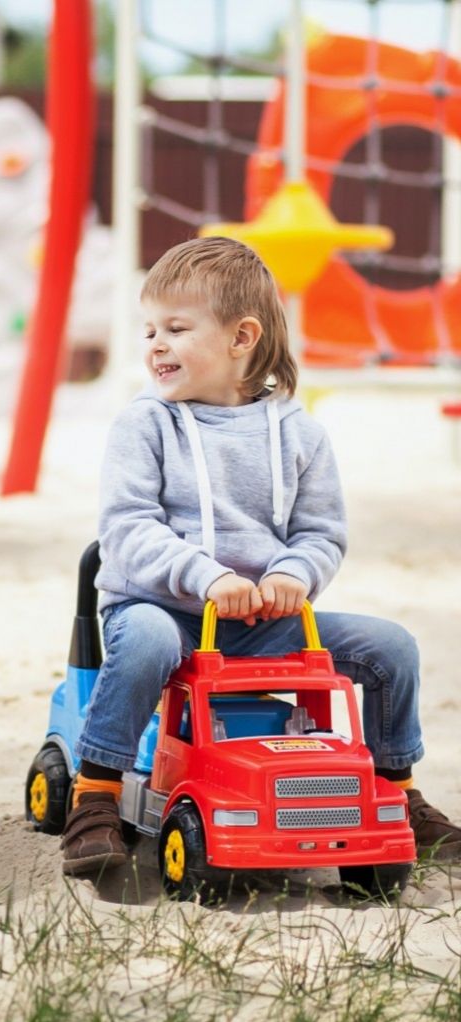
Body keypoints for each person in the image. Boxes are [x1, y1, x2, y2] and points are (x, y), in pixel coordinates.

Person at [60, 236, 461, 875]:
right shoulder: (144, 425)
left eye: (176, 328)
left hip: (266, 625)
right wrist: (207, 576)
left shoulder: (299, 434)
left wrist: (291, 575)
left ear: (241, 337)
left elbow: (321, 534)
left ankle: (395, 790)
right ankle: (97, 792)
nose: (154, 344)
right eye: (149, 330)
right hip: (165, 608)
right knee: (143, 643)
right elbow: (128, 529)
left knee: (392, 648)